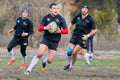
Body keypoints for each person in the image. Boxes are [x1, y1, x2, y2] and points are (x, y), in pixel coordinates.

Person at [24, 3, 68, 75]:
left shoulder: (61, 19)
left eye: (57, 8)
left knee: (50, 61)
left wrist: (60, 31)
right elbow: (39, 28)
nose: (56, 10)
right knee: (40, 53)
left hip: (55, 41)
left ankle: (44, 60)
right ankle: (29, 69)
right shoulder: (45, 18)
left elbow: (66, 31)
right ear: (50, 9)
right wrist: (45, 28)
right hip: (46, 39)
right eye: (54, 8)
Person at [64, 4, 97, 71]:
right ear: (81, 9)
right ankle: (69, 63)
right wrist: (68, 29)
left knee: (74, 52)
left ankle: (71, 66)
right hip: (75, 35)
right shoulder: (77, 16)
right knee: (69, 51)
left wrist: (87, 36)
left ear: (87, 10)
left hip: (82, 38)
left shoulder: (90, 18)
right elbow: (71, 23)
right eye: (83, 9)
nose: (84, 10)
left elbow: (94, 30)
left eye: (85, 9)